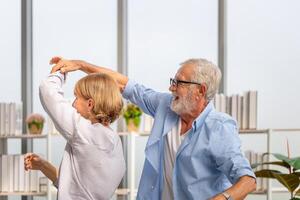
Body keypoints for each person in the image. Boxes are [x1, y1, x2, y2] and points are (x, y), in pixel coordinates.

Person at [50, 57, 256, 200]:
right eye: (172, 81)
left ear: (200, 91)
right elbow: (125, 85)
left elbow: (247, 181)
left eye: (178, 83)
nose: (171, 88)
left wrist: (221, 198)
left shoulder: (219, 128)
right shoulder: (165, 106)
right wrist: (79, 65)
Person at [25, 71, 126, 200]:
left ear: (90, 104)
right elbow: (77, 188)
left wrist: (60, 73)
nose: (73, 104)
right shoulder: (115, 142)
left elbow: (47, 90)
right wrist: (43, 165)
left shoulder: (85, 131)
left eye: (77, 98)